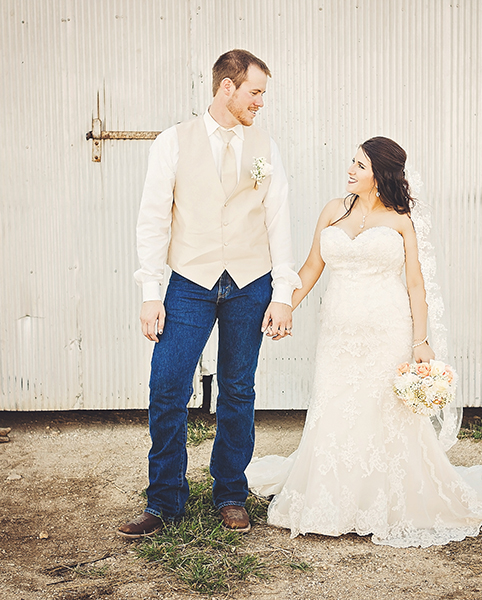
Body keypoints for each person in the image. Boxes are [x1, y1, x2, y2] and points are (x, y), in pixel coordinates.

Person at [246, 137, 482, 548]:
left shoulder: (401, 219)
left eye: (359, 166)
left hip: (387, 330)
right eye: (352, 162)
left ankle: (385, 501)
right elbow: (311, 267)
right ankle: (334, 499)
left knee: (384, 413)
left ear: (379, 176)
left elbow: (415, 283)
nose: (349, 170)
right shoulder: (333, 210)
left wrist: (421, 341)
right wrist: (284, 306)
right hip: (339, 332)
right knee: (336, 406)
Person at [118, 49, 300, 539]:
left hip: (250, 281)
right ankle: (164, 501)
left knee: (238, 388)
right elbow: (154, 218)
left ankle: (231, 493)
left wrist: (282, 291)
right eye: (255, 92)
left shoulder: (265, 145)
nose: (261, 103)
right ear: (227, 89)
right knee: (168, 386)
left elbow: (278, 217)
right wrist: (150, 291)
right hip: (189, 281)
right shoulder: (172, 143)